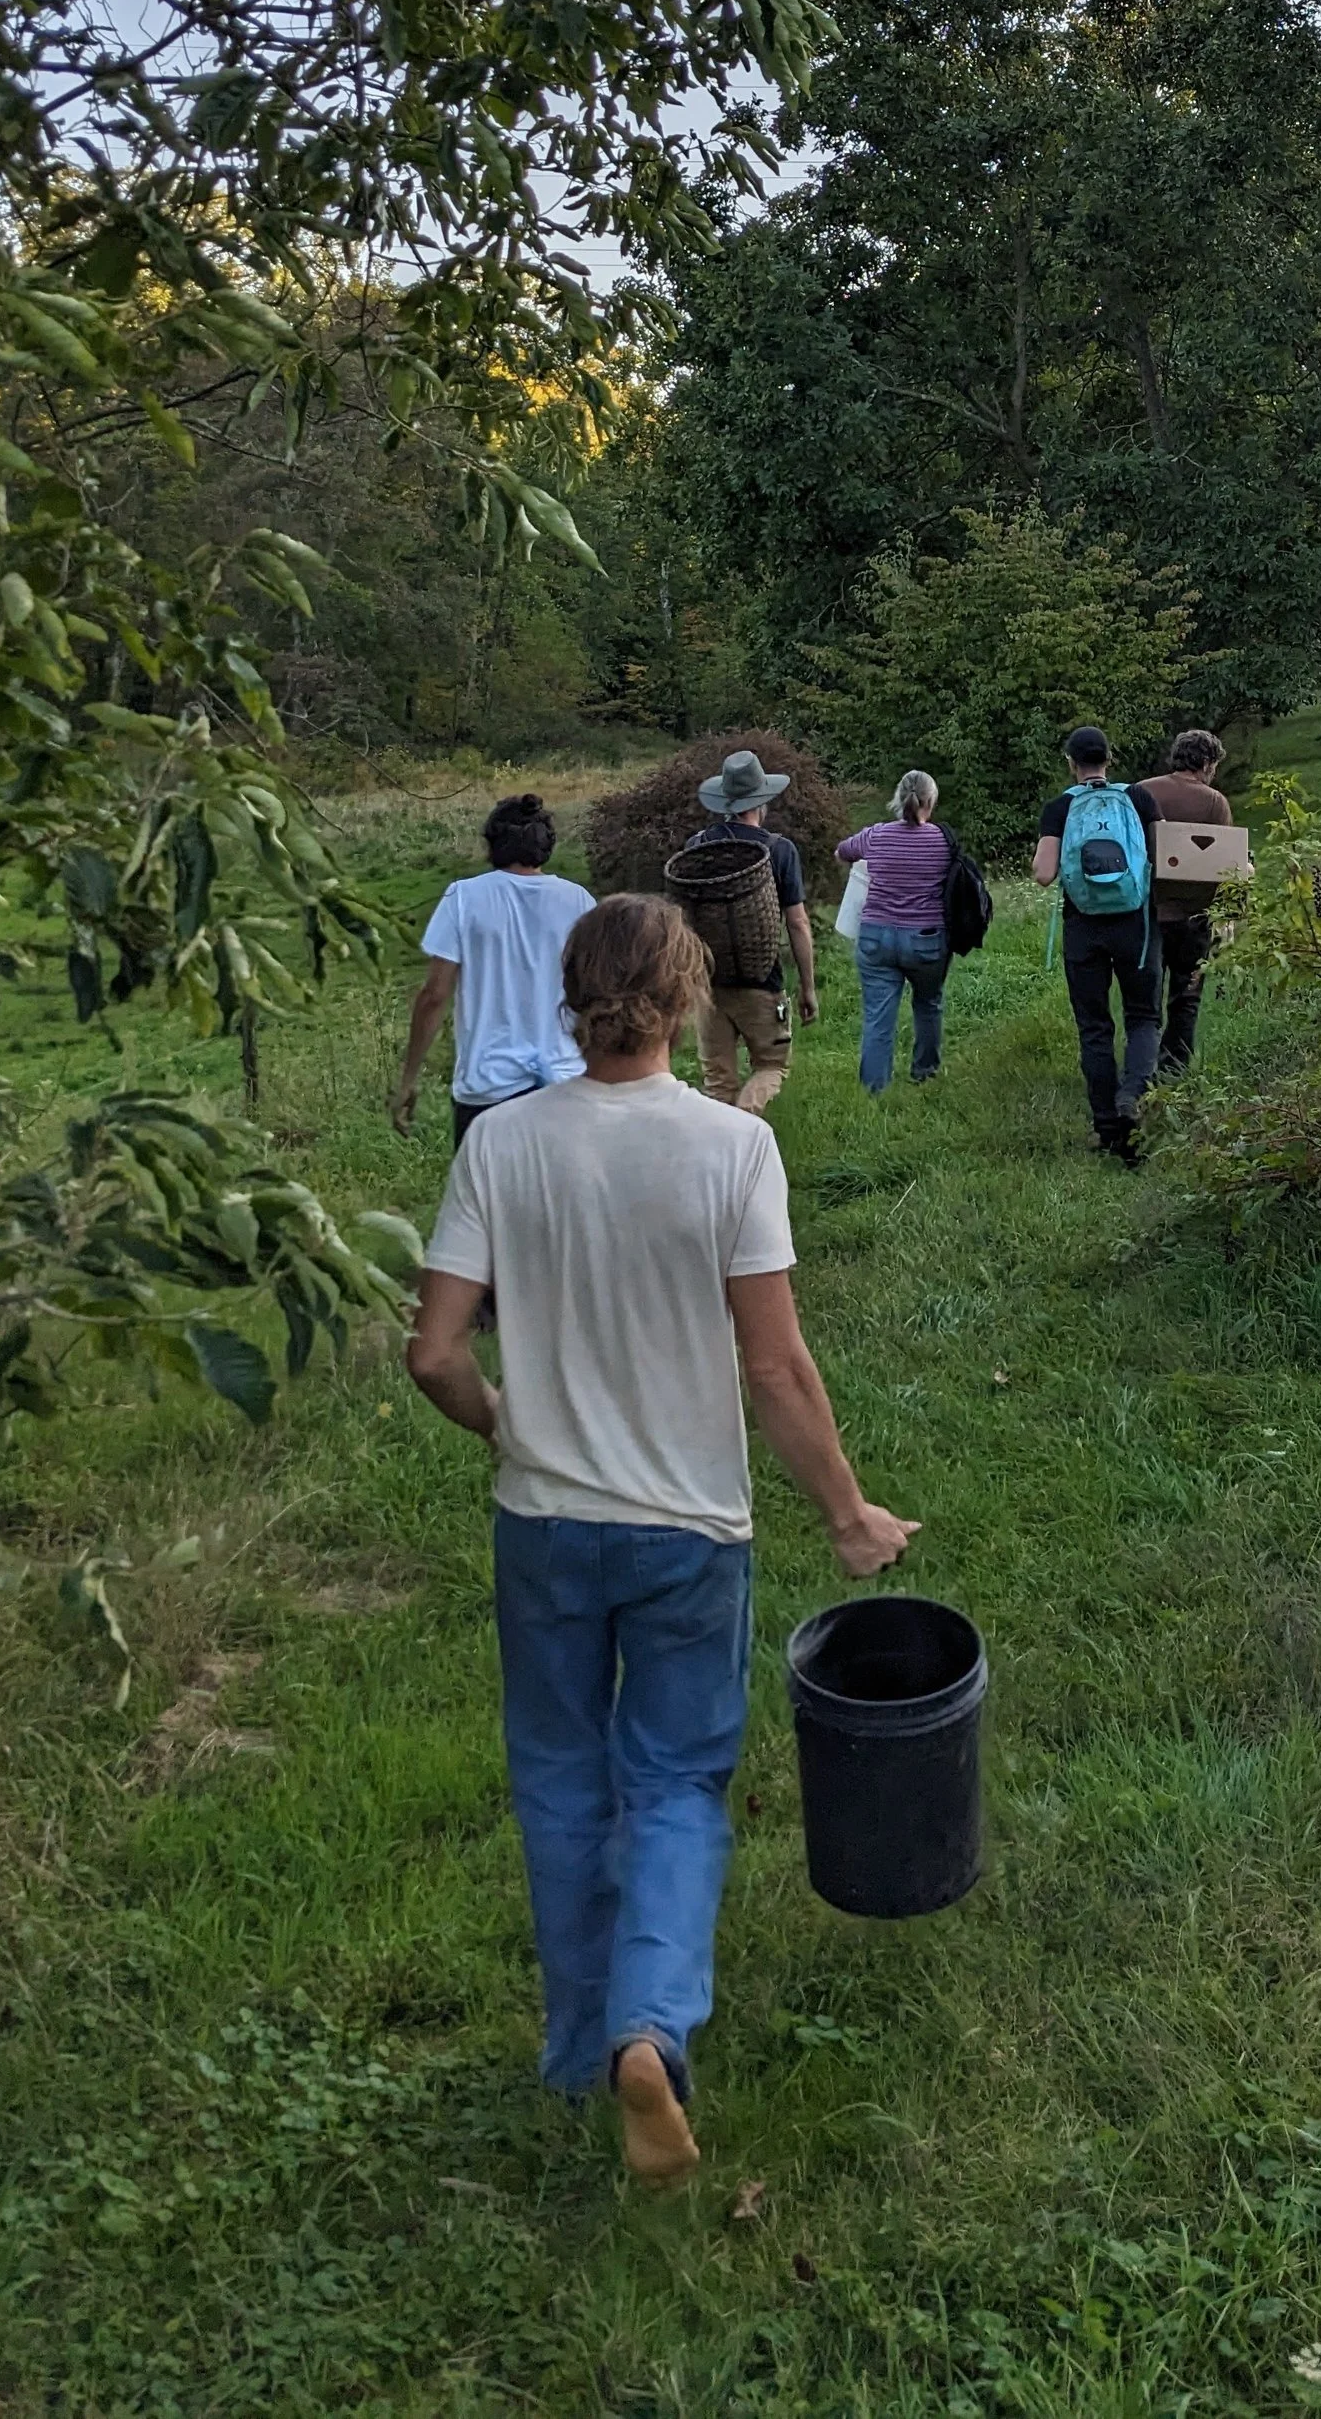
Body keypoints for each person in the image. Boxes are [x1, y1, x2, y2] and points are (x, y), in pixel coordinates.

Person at [407, 894, 917, 2188]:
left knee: (562, 1785)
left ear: (568, 1003)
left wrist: (506, 1423)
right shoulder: (732, 1149)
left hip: (544, 1525)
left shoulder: (501, 1147)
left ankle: (581, 2052)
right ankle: (651, 2029)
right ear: (686, 1001)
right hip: (691, 1529)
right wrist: (848, 1512)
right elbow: (778, 1367)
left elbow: (433, 1351)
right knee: (678, 1783)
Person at [393, 792, 596, 1147]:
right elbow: (594, 994)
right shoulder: (578, 900)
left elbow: (434, 995)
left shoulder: (462, 897)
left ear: (492, 843)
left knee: (485, 1200)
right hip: (564, 1081)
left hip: (488, 1087)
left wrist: (408, 1079)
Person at [1033, 723, 1161, 1164]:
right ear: (1110, 758)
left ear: (1071, 763)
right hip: (1135, 926)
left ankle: (1107, 1129)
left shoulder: (1059, 808)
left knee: (1095, 1029)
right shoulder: (1138, 797)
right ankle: (1134, 1096)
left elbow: (1044, 873)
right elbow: (1164, 858)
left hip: (1083, 926)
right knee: (1143, 1017)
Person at [684, 748, 817, 1118]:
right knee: (772, 1066)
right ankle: (746, 1124)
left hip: (708, 983)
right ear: (762, 801)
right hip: (761, 983)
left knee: (717, 1082)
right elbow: (797, 923)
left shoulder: (696, 847)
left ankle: (719, 1157)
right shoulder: (779, 850)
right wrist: (807, 987)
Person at [834, 769, 955, 1093]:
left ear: (898, 799)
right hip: (926, 940)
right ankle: (924, 1074)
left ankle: (875, 1089)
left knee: (878, 1016)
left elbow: (842, 851)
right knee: (928, 1004)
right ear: (931, 801)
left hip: (876, 937)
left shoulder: (876, 835)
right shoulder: (943, 840)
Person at [1137, 727, 1243, 1078]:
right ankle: (1174, 1073)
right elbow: (1226, 865)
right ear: (1208, 762)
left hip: (1145, 912)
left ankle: (1140, 1071)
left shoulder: (1142, 791)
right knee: (1185, 997)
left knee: (1145, 1001)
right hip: (1192, 917)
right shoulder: (1213, 802)